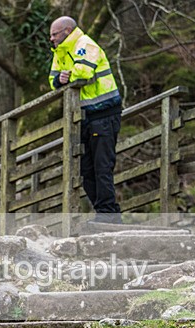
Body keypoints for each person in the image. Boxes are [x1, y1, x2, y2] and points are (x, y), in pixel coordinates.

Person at [49, 16, 123, 223]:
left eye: (54, 34)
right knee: (85, 169)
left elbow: (84, 72)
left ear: (67, 31)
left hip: (104, 113)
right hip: (83, 116)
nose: (51, 39)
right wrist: (60, 79)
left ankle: (108, 214)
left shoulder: (85, 44)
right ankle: (105, 213)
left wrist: (67, 76)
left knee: (102, 166)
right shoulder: (59, 52)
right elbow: (53, 80)